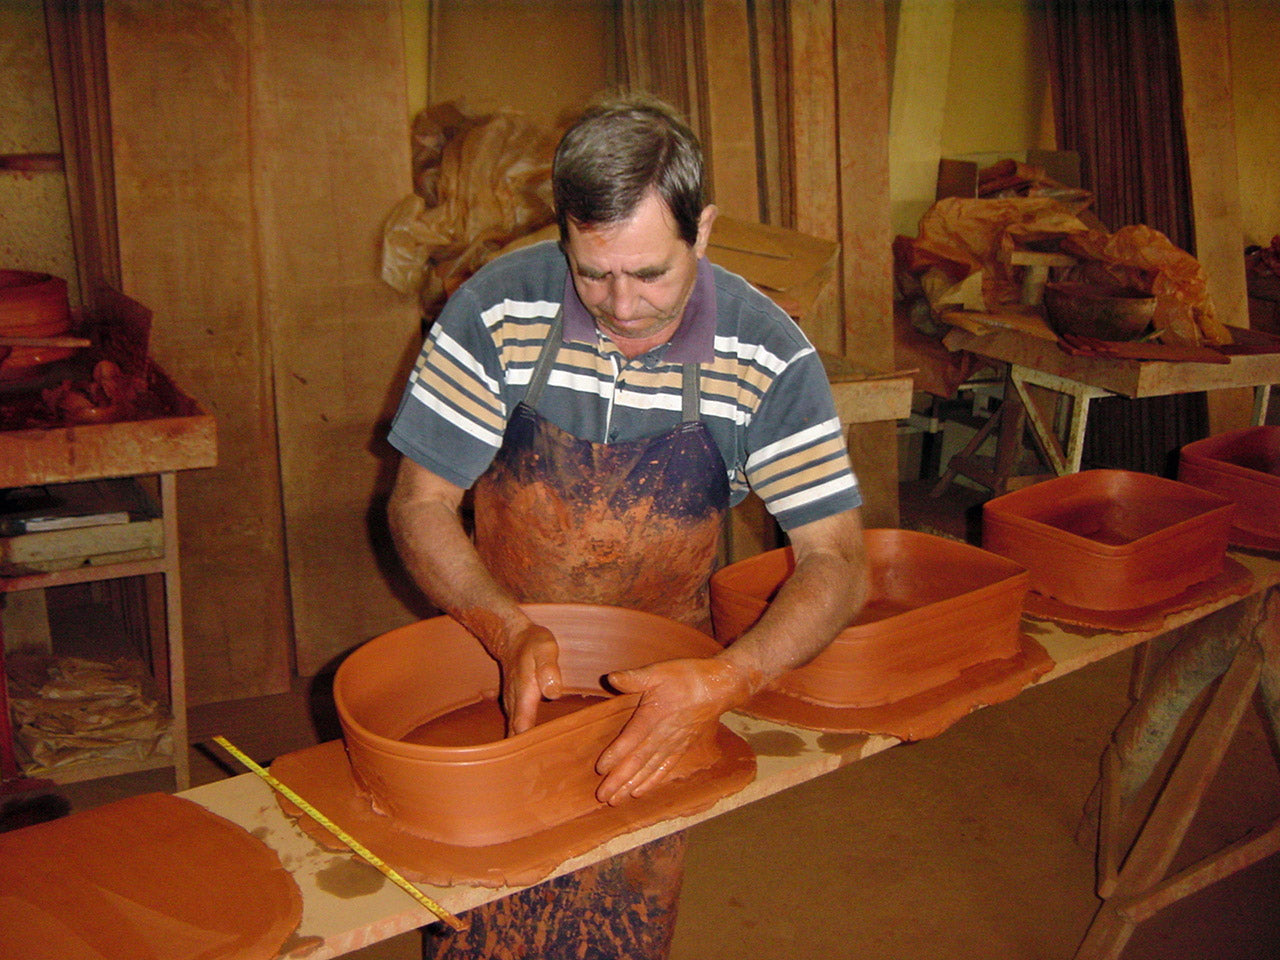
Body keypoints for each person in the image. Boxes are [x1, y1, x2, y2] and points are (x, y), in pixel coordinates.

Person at [387, 92, 868, 960]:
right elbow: (419, 504)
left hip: (661, 689)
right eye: (592, 270)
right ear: (564, 234)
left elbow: (836, 559)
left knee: (620, 921)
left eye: (651, 273)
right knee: (479, 918)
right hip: (495, 648)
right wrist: (502, 625)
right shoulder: (497, 309)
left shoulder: (766, 353)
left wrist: (729, 680)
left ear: (704, 230)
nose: (622, 305)